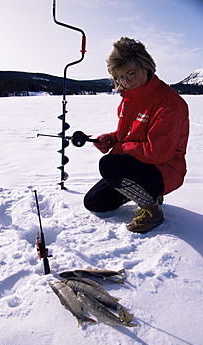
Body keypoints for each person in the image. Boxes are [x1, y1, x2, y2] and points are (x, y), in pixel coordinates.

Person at [84, 37, 189, 234]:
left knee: (109, 165)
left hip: (165, 170)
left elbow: (157, 152)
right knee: (94, 202)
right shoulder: (129, 99)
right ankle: (147, 194)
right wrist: (112, 139)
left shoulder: (169, 103)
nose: (126, 81)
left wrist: (120, 148)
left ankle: (152, 210)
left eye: (131, 73)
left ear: (146, 67)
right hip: (141, 165)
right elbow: (128, 135)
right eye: (120, 77)